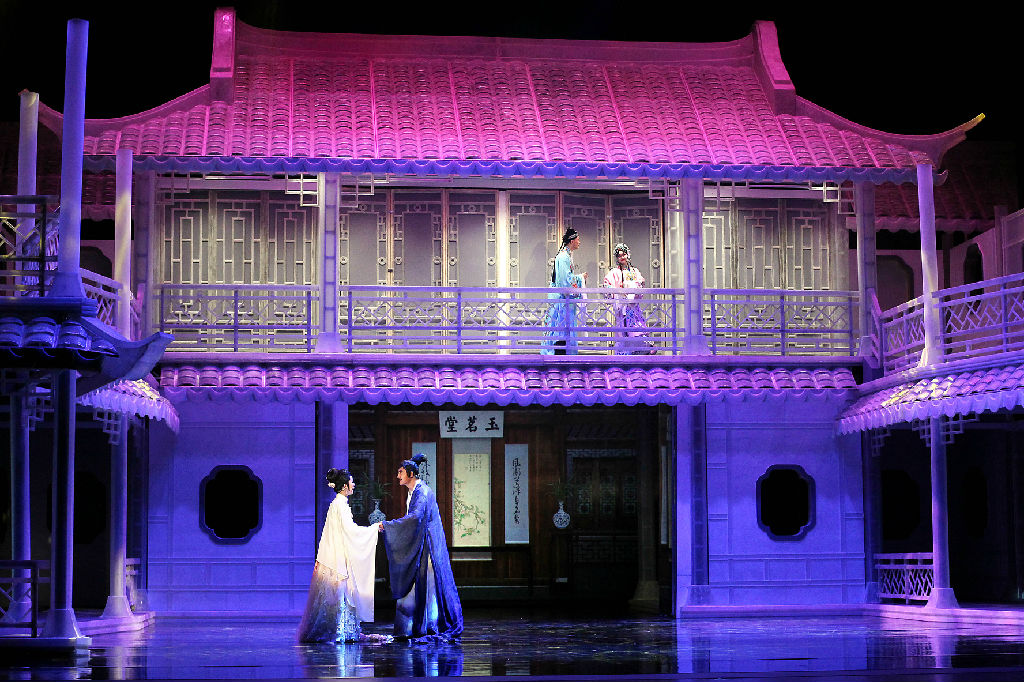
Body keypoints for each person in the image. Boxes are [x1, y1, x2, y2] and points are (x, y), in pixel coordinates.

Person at [380, 453, 463, 642]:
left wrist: (389, 525)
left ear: (410, 473)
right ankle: (413, 626)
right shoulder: (414, 491)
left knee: (429, 586)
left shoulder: (422, 491)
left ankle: (430, 625)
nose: (398, 476)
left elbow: (416, 517)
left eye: (400, 472)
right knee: (420, 584)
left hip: (427, 545)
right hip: (420, 541)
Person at [298, 468, 382, 643]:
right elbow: (351, 531)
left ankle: (343, 630)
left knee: (338, 595)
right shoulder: (340, 505)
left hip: (334, 554)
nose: (354, 485)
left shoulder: (337, 503)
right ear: (344, 486)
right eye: (352, 482)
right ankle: (341, 631)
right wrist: (373, 529)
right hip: (338, 557)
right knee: (342, 594)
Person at [541, 227, 588, 355]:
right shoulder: (563, 257)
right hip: (561, 301)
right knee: (560, 331)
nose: (579, 242)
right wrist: (580, 278)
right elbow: (564, 281)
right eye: (578, 240)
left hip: (563, 301)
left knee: (562, 330)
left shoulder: (566, 256)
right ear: (572, 241)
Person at [603, 242, 655, 355]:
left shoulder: (635, 271)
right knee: (624, 330)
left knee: (637, 326)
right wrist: (618, 292)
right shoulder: (614, 272)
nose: (622, 257)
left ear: (628, 254)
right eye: (619, 255)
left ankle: (642, 349)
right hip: (622, 307)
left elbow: (640, 284)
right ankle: (627, 353)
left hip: (633, 307)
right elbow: (607, 286)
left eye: (624, 254)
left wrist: (636, 286)